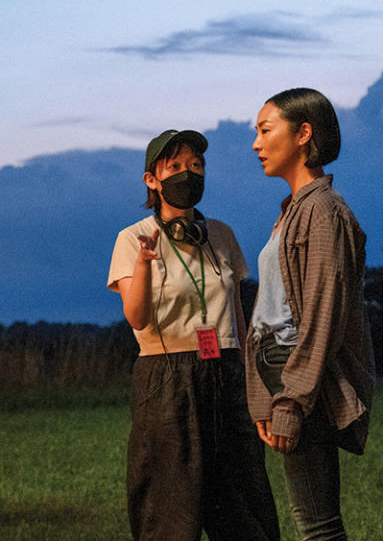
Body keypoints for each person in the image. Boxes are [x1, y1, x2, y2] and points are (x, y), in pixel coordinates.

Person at [108, 129, 280, 541]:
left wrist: (250, 374)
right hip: (166, 376)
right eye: (176, 167)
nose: (189, 173)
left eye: (196, 165)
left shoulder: (220, 235)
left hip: (225, 369)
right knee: (170, 507)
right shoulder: (132, 239)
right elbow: (136, 317)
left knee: (244, 502)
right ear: (152, 179)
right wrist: (146, 263)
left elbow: (237, 311)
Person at [246, 88, 375, 541]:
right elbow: (270, 313)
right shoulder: (291, 212)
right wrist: (267, 397)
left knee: (317, 526)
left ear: (304, 133)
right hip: (283, 375)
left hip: (304, 380)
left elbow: (322, 317)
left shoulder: (322, 211)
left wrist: (293, 402)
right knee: (311, 521)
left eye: (265, 130)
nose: (257, 144)